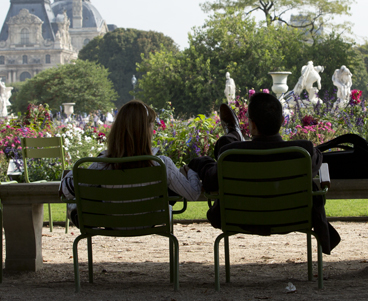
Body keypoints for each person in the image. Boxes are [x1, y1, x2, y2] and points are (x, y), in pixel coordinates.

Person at [188, 93, 340, 254]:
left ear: (252, 125)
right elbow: (318, 161)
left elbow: (211, 181)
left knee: (225, 146)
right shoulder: (304, 152)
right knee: (228, 147)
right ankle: (234, 134)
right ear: (282, 121)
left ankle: (234, 134)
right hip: (293, 218)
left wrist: (201, 163)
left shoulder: (230, 154)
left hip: (240, 218)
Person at [59, 100, 202, 225]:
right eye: (152, 125)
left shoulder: (101, 165)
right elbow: (193, 194)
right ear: (146, 130)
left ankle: (77, 213)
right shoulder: (162, 164)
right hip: (151, 221)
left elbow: (67, 190)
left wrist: (74, 173)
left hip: (111, 223)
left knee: (74, 204)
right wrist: (191, 171)